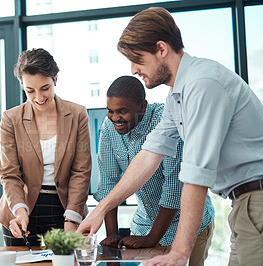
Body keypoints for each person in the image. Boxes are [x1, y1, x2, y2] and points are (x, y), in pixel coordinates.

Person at [77, 7, 263, 266]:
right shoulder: (179, 94)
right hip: (245, 204)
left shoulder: (202, 84)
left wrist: (179, 251)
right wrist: (100, 211)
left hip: (257, 200)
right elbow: (148, 156)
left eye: (138, 59)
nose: (133, 69)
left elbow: (195, 174)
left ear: (161, 49)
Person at [94, 76, 214, 265]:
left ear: (143, 106)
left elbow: (174, 188)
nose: (115, 118)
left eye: (122, 111)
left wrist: (152, 238)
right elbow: (109, 183)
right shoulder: (109, 127)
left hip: (187, 223)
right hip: (144, 224)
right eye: (111, 111)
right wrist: (113, 236)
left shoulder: (166, 121)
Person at [0, 48, 91, 246]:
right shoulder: (11, 119)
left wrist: (72, 218)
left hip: (65, 208)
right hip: (21, 209)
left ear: (56, 79)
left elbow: (81, 171)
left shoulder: (77, 114)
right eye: (30, 91)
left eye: (45, 88)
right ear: (22, 86)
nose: (38, 97)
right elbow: (9, 173)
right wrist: (20, 211)